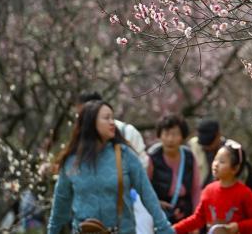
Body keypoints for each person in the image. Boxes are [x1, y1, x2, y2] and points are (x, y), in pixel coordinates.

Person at [47, 100, 173, 234]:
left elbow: (147, 194)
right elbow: (61, 202)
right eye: (106, 118)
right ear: (91, 123)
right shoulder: (72, 161)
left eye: (112, 118)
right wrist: (52, 230)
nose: (112, 122)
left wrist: (164, 227)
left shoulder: (125, 155)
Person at [172, 143, 252, 234]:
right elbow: (198, 218)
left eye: (222, 162)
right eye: (215, 159)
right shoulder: (208, 190)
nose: (216, 164)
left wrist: (238, 226)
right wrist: (173, 229)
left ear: (235, 168)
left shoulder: (245, 193)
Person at [148, 114, 201, 222]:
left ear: (182, 136)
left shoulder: (189, 156)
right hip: (161, 213)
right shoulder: (152, 158)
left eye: (175, 134)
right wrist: (157, 203)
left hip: (185, 211)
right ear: (159, 136)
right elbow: (144, 188)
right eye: (166, 134)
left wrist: (196, 218)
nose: (170, 139)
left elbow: (196, 189)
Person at [188, 118, 252, 190]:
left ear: (218, 135)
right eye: (203, 144)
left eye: (209, 143)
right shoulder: (194, 146)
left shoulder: (233, 150)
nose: (206, 147)